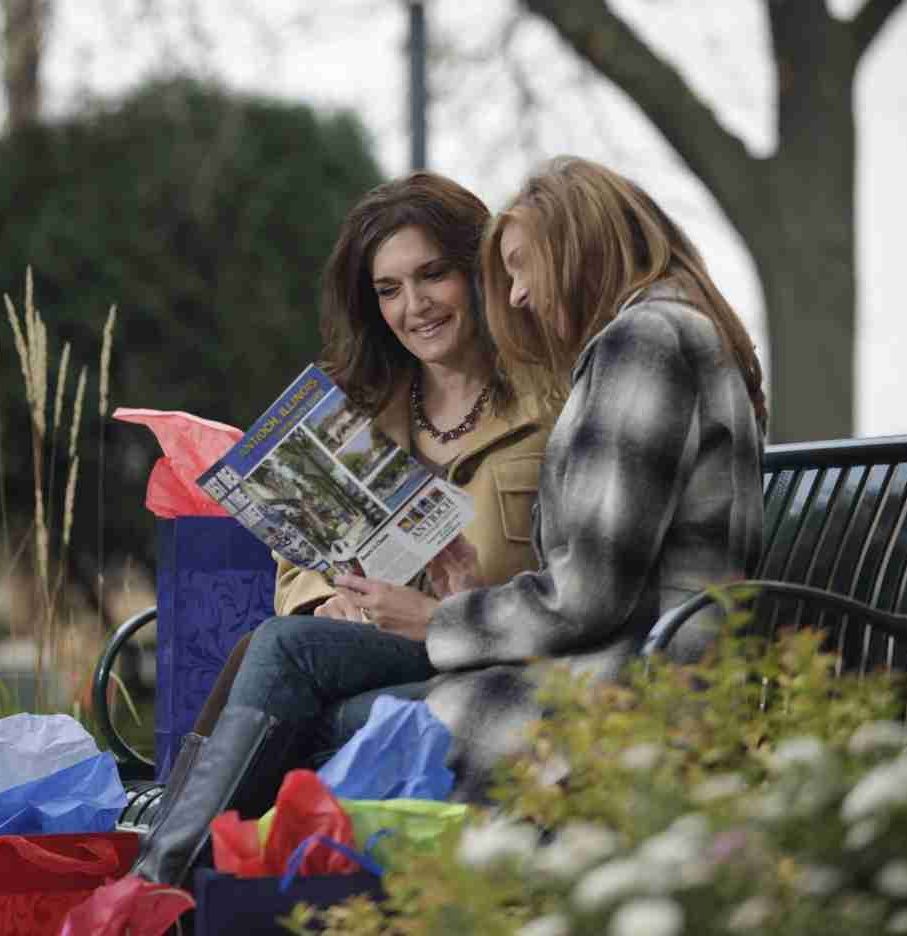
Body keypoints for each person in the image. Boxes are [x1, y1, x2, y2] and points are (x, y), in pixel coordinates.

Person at [132, 171, 552, 887]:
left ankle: (157, 881)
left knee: (282, 665)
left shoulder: (556, 394)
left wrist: (462, 602)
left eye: (432, 276)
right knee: (290, 641)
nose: (413, 307)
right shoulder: (358, 405)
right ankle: (170, 885)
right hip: (371, 647)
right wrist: (324, 601)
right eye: (388, 290)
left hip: (486, 642)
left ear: (477, 272)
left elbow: (583, 570)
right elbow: (295, 557)